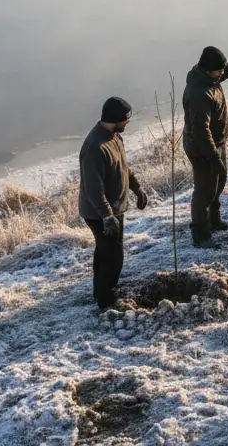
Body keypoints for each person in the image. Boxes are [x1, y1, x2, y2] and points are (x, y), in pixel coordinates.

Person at [78, 97, 148, 310]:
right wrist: (107, 216)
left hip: (113, 208)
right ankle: (106, 300)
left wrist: (137, 188)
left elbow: (124, 167)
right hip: (99, 212)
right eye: (125, 119)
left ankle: (100, 291)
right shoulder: (95, 147)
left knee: (104, 251)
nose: (128, 122)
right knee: (113, 255)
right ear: (115, 118)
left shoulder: (114, 137)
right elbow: (93, 189)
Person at [182, 46, 228, 248]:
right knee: (205, 190)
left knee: (219, 182)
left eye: (222, 70)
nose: (221, 74)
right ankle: (201, 234)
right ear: (208, 70)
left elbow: (218, 76)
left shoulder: (208, 78)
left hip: (215, 143)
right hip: (202, 148)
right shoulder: (199, 94)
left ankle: (214, 221)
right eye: (219, 70)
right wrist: (214, 158)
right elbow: (201, 132)